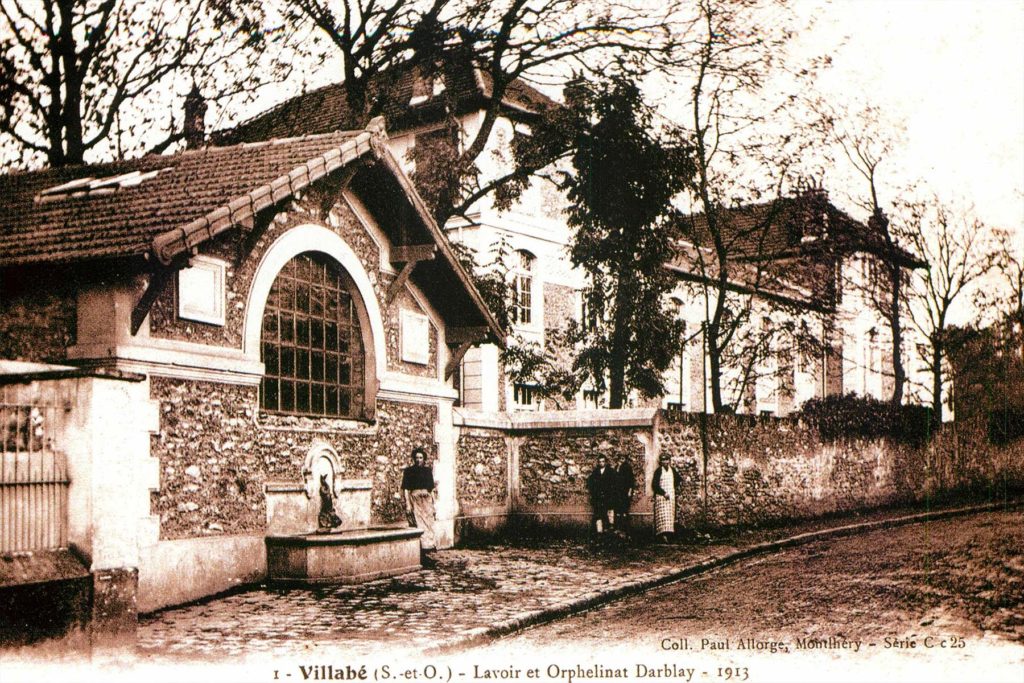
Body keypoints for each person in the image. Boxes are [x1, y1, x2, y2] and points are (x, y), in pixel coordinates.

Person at [401, 447, 437, 554]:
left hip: (426, 500)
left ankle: (429, 547)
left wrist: (434, 505)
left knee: (428, 522)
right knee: (418, 522)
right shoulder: (408, 471)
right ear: (414, 458)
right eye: (416, 458)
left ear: (424, 459)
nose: (418, 460)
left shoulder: (427, 471)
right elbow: (406, 489)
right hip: (415, 499)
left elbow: (431, 490)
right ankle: (421, 548)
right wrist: (408, 504)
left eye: (421, 458)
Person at [651, 454, 679, 543]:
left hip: (670, 496)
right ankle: (662, 536)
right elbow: (654, 485)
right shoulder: (658, 471)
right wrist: (663, 493)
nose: (665, 462)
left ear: (669, 461)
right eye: (663, 461)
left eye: (667, 460)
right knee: (662, 516)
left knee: (670, 516)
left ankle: (669, 535)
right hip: (661, 497)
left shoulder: (672, 470)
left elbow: (678, 480)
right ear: (661, 462)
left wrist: (671, 489)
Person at [586, 454, 616, 536]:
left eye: (603, 461)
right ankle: (599, 531)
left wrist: (611, 493)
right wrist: (594, 492)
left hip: (608, 496)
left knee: (609, 511)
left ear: (606, 462)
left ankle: (610, 529)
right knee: (598, 513)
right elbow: (590, 483)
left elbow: (614, 484)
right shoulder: (595, 472)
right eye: (600, 462)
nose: (601, 463)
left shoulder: (611, 472)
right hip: (598, 496)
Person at [613, 453, 635, 535]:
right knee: (618, 511)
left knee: (624, 511)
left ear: (625, 459)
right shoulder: (617, 467)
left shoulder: (627, 467)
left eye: (623, 459)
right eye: (620, 458)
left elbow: (631, 480)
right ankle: (618, 529)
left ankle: (626, 530)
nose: (621, 460)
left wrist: (629, 491)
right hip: (618, 492)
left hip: (625, 492)